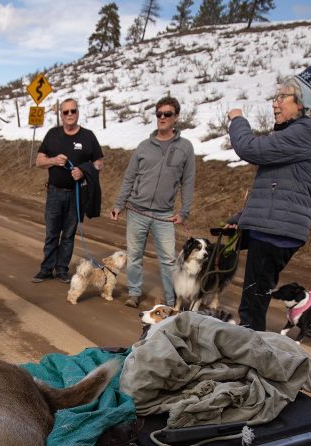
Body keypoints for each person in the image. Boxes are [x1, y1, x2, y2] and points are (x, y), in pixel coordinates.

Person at [226, 63, 311, 331]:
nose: (275, 104)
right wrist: (243, 219)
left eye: (282, 97)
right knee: (253, 299)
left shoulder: (308, 131)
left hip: (275, 232)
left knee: (252, 306)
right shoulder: (296, 133)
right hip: (271, 228)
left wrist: (237, 120)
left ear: (302, 102)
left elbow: (250, 148)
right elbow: (278, 187)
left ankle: (248, 358)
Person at [110, 96, 197, 309]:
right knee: (135, 255)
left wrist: (183, 211)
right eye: (159, 114)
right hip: (137, 210)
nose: (162, 118)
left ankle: (171, 300)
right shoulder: (143, 147)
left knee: (168, 260)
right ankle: (134, 293)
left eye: (167, 114)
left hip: (164, 214)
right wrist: (119, 204)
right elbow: (129, 177)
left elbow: (188, 182)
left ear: (176, 117)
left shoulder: (185, 148)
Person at [33, 99, 104, 284]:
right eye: (65, 112)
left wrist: (83, 170)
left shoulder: (88, 136)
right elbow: (39, 161)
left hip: (76, 194)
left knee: (69, 234)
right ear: (61, 115)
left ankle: (62, 269)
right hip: (55, 193)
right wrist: (54, 160)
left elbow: (99, 163)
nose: (69, 114)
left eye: (73, 110)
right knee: (52, 233)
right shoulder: (52, 134)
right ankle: (46, 269)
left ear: (78, 113)